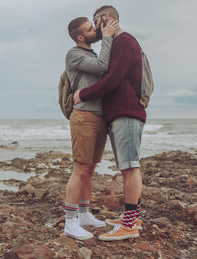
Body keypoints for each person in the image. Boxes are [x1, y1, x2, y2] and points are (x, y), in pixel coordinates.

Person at [74, 5, 146, 241]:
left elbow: (113, 79)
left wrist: (83, 94)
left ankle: (129, 226)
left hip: (126, 112)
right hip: (120, 112)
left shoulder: (124, 41)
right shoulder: (119, 43)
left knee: (129, 167)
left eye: (95, 23)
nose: (95, 29)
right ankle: (132, 218)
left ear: (105, 19)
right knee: (129, 166)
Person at [63, 16, 119, 240]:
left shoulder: (91, 53)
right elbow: (102, 66)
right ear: (80, 37)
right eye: (90, 29)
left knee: (90, 169)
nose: (95, 30)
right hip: (84, 116)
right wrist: (106, 37)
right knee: (80, 169)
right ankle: (70, 222)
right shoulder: (74, 54)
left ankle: (84, 214)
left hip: (98, 117)